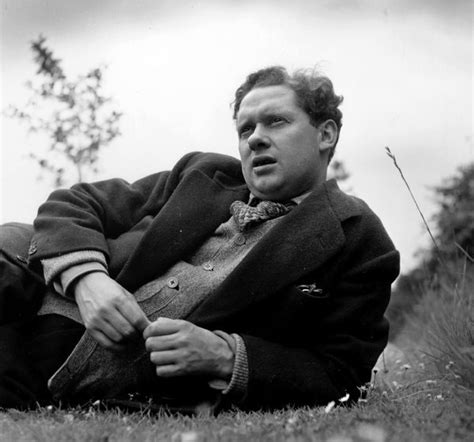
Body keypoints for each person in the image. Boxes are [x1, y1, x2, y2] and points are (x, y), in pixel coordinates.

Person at [0, 66, 399, 413]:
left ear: (325, 134)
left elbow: (340, 373)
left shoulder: (357, 235)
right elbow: (75, 202)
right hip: (27, 295)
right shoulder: (202, 174)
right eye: (246, 129)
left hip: (44, 378)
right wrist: (88, 281)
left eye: (276, 121)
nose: (255, 139)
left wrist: (226, 356)